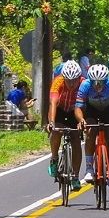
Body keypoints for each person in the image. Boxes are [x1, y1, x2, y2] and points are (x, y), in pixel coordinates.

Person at [74, 64, 109, 188]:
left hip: (108, 111)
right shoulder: (85, 85)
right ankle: (89, 168)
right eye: (94, 82)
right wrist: (81, 120)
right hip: (92, 111)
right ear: (90, 80)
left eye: (101, 82)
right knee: (90, 131)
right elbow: (78, 107)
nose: (97, 85)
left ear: (106, 80)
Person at [47, 61, 85, 191]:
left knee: (76, 140)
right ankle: (54, 158)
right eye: (68, 81)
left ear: (79, 78)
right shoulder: (58, 81)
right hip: (60, 110)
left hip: (75, 111)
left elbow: (85, 105)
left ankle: (75, 176)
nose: (71, 84)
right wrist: (51, 123)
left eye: (74, 80)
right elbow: (53, 103)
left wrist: (82, 121)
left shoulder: (83, 83)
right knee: (56, 131)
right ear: (64, 78)